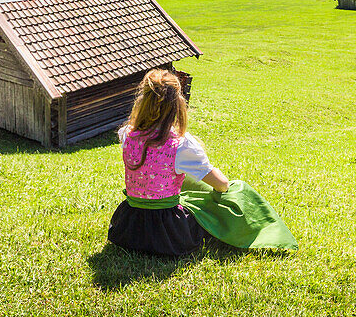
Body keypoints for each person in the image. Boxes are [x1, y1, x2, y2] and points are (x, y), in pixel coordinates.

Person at [108, 68, 297, 257]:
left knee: (187, 186)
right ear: (178, 104)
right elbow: (221, 185)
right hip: (169, 234)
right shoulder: (181, 145)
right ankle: (264, 232)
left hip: (129, 227)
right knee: (237, 188)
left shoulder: (127, 134)